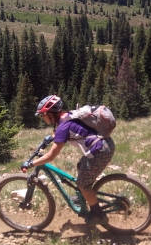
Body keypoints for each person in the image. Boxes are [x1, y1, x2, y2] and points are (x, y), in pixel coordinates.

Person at [22, 95, 115, 225]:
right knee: (80, 166)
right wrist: (51, 137)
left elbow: (50, 156)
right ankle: (82, 197)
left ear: (50, 114)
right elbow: (66, 129)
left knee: (83, 184)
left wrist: (31, 163)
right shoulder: (67, 116)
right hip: (104, 145)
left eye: (43, 115)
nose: (42, 118)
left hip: (101, 151)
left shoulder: (63, 126)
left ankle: (99, 215)